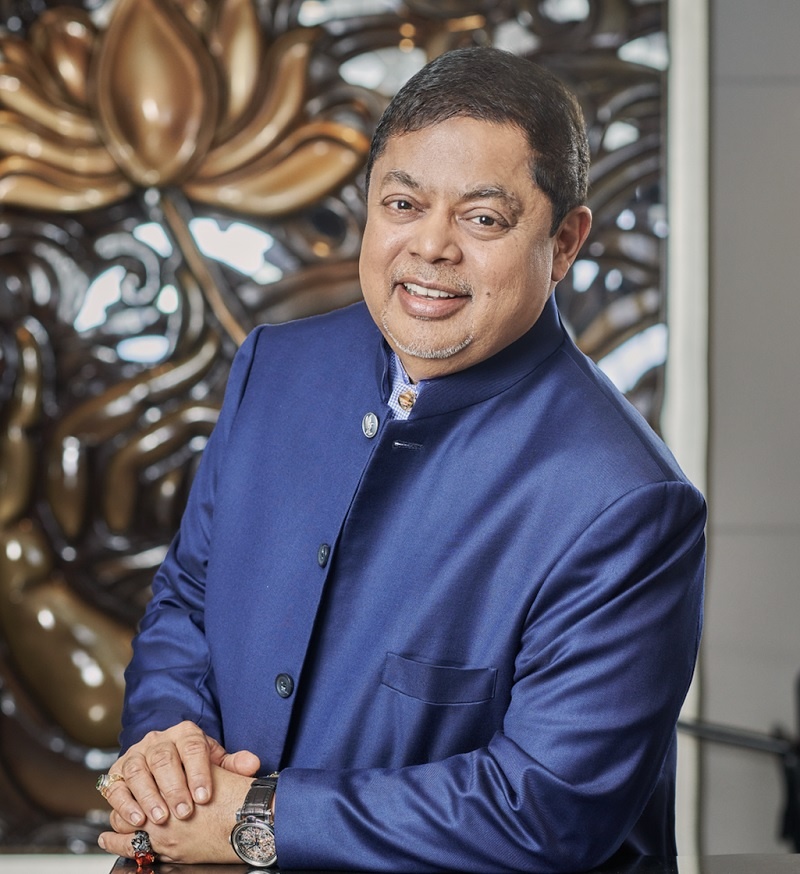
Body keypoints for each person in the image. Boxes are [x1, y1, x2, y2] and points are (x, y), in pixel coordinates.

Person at [96, 46, 706, 873]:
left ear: (564, 243)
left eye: (483, 219)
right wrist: (171, 754)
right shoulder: (276, 367)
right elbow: (188, 600)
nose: (432, 246)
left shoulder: (628, 500)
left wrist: (251, 821)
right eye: (403, 204)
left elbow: (547, 810)